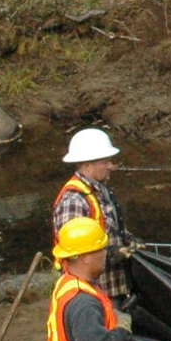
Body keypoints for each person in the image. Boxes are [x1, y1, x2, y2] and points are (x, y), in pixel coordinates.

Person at [53, 128, 132, 304]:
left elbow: (111, 227)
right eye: (105, 161)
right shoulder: (73, 201)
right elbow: (76, 254)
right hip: (95, 290)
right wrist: (112, 254)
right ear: (87, 164)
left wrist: (129, 240)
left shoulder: (101, 190)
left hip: (113, 285)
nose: (111, 166)